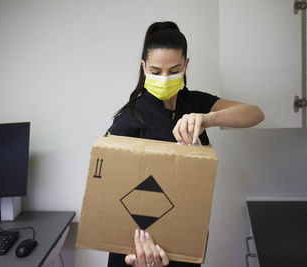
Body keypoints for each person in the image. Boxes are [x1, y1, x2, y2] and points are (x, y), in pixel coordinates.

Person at [107, 21, 264, 267]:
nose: (165, 78)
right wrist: (136, 252)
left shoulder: (194, 103)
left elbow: (255, 114)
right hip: (141, 248)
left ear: (186, 66)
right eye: (156, 72)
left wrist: (208, 119)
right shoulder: (129, 120)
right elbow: (109, 191)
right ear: (144, 67)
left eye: (174, 70)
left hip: (187, 237)